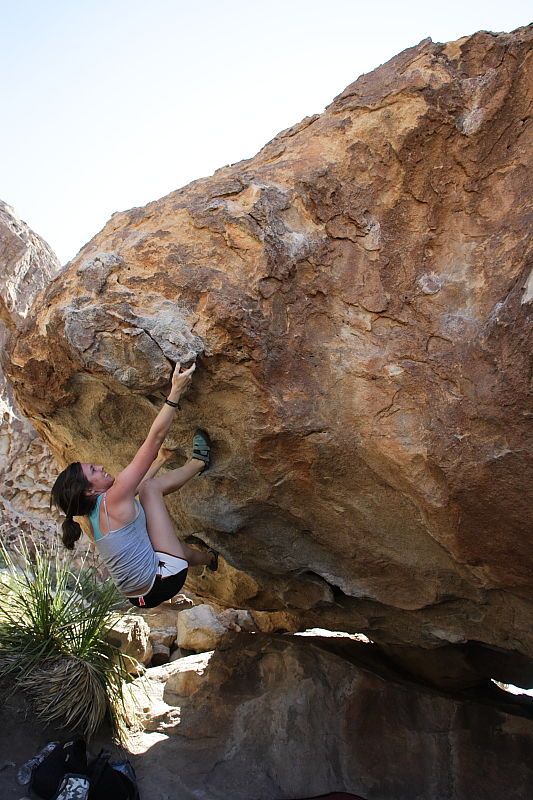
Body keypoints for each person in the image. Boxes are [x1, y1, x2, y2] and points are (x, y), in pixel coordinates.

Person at [50, 362, 218, 608]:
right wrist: (175, 392)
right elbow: (154, 439)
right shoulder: (113, 499)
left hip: (139, 598)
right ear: (90, 490)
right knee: (151, 491)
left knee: (161, 537)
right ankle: (199, 463)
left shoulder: (94, 515)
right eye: (93, 471)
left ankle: (209, 559)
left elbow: (134, 491)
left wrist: (160, 461)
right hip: (164, 579)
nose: (100, 466)